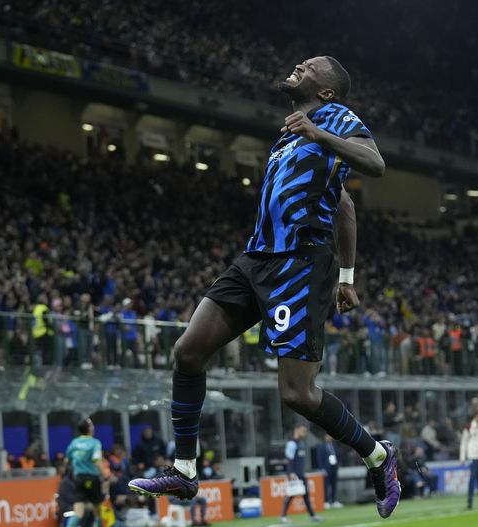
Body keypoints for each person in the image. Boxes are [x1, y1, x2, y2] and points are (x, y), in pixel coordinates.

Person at [129, 56, 400, 520]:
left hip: (300, 264)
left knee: (297, 394)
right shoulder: (287, 132)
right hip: (255, 259)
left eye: (311, 65)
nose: (299, 64)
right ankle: (184, 469)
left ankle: (378, 455)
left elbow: (374, 164)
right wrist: (349, 277)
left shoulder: (335, 118)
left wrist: (345, 276)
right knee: (187, 351)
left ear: (328, 92)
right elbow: (343, 203)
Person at [65, 418, 106, 527]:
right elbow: (97, 461)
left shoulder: (74, 443)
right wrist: (106, 475)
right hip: (93, 478)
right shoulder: (95, 443)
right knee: (98, 511)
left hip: (78, 479)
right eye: (92, 425)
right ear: (89, 428)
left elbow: (67, 460)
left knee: (78, 513)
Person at [281, 425, 321, 523]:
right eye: (303, 431)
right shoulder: (291, 444)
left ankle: (312, 515)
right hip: (294, 474)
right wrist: (291, 473)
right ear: (296, 430)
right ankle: (283, 516)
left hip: (300, 473)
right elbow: (289, 460)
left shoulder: (301, 443)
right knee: (291, 494)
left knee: (306, 494)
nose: (304, 433)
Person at [316, 433, 341, 509]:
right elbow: (319, 458)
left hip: (334, 467)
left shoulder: (334, 445)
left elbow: (338, 455)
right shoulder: (322, 446)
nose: (330, 438)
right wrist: (322, 469)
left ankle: (334, 501)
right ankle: (326, 501)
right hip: (326, 469)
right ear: (325, 437)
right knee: (325, 486)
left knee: (334, 485)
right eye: (328, 436)